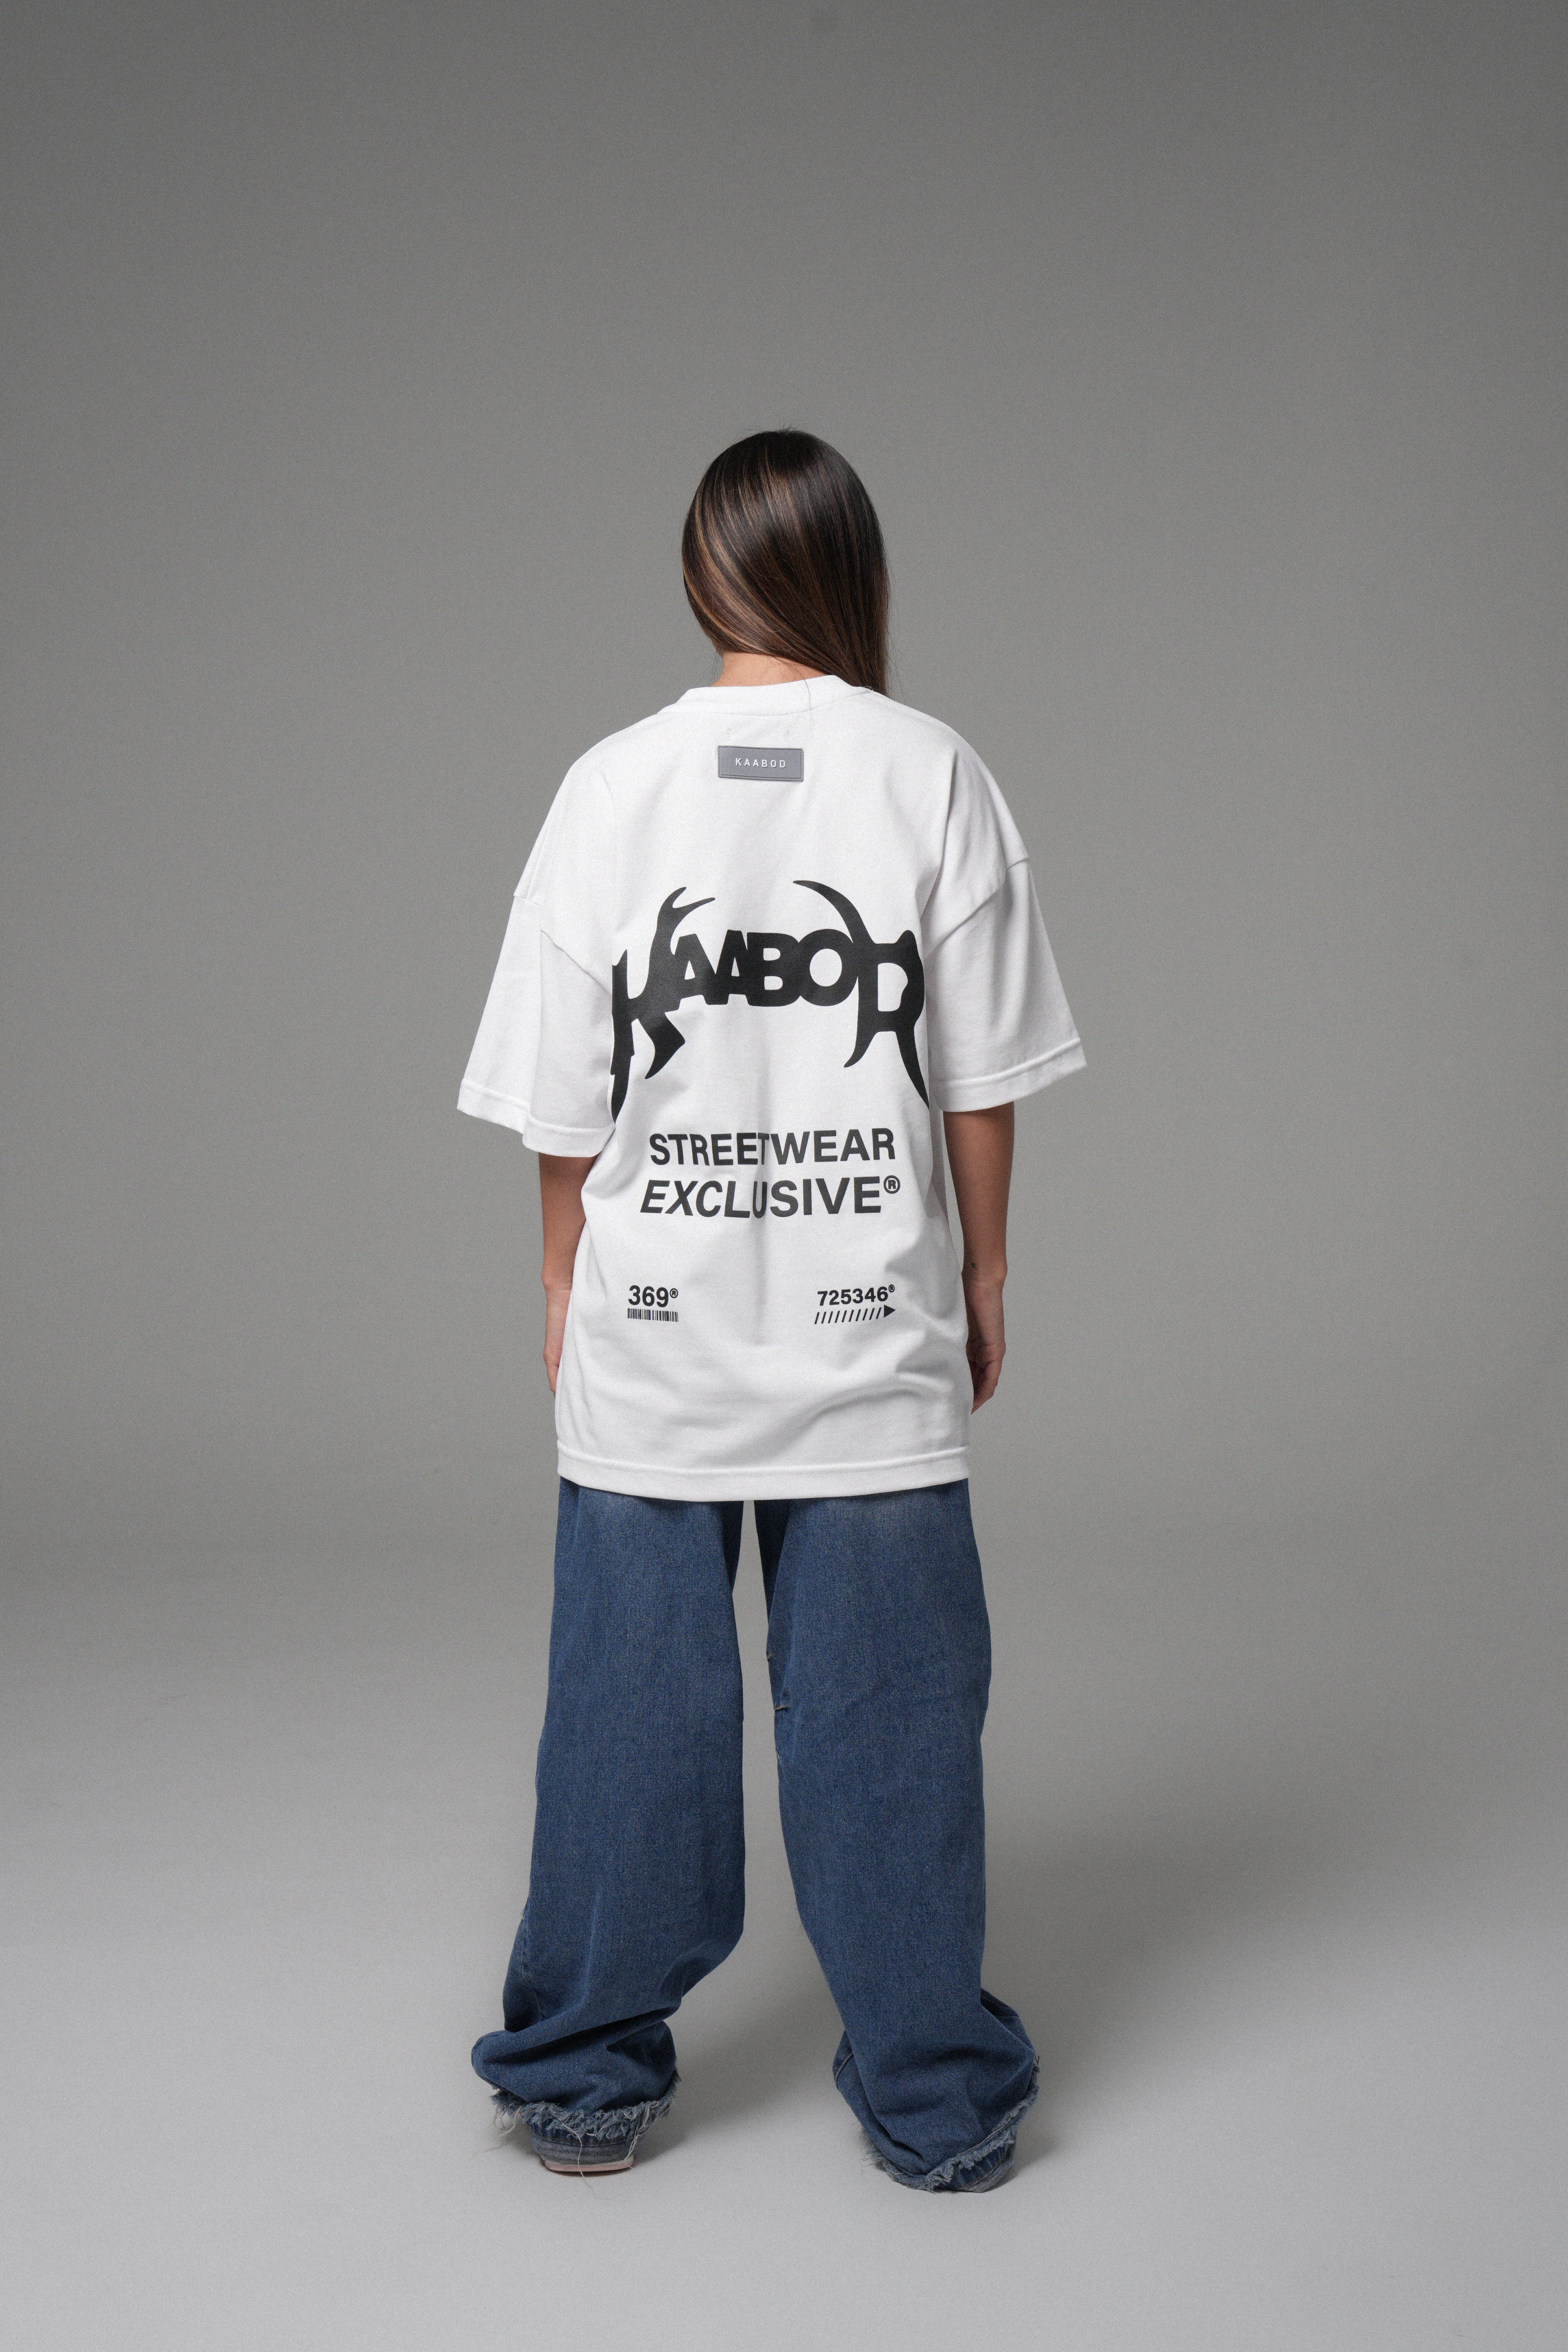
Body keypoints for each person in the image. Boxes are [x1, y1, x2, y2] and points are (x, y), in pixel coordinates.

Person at [457, 430, 1085, 2190]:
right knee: (894, 1725)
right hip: (869, 1321)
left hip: (653, 1327)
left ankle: (582, 2075)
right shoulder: (931, 773)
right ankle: (938, 2099)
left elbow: (565, 1093)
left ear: (699, 577)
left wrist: (564, 1277)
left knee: (628, 1723)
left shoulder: (609, 786)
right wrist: (983, 1271)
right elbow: (978, 1078)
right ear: (854, 573)